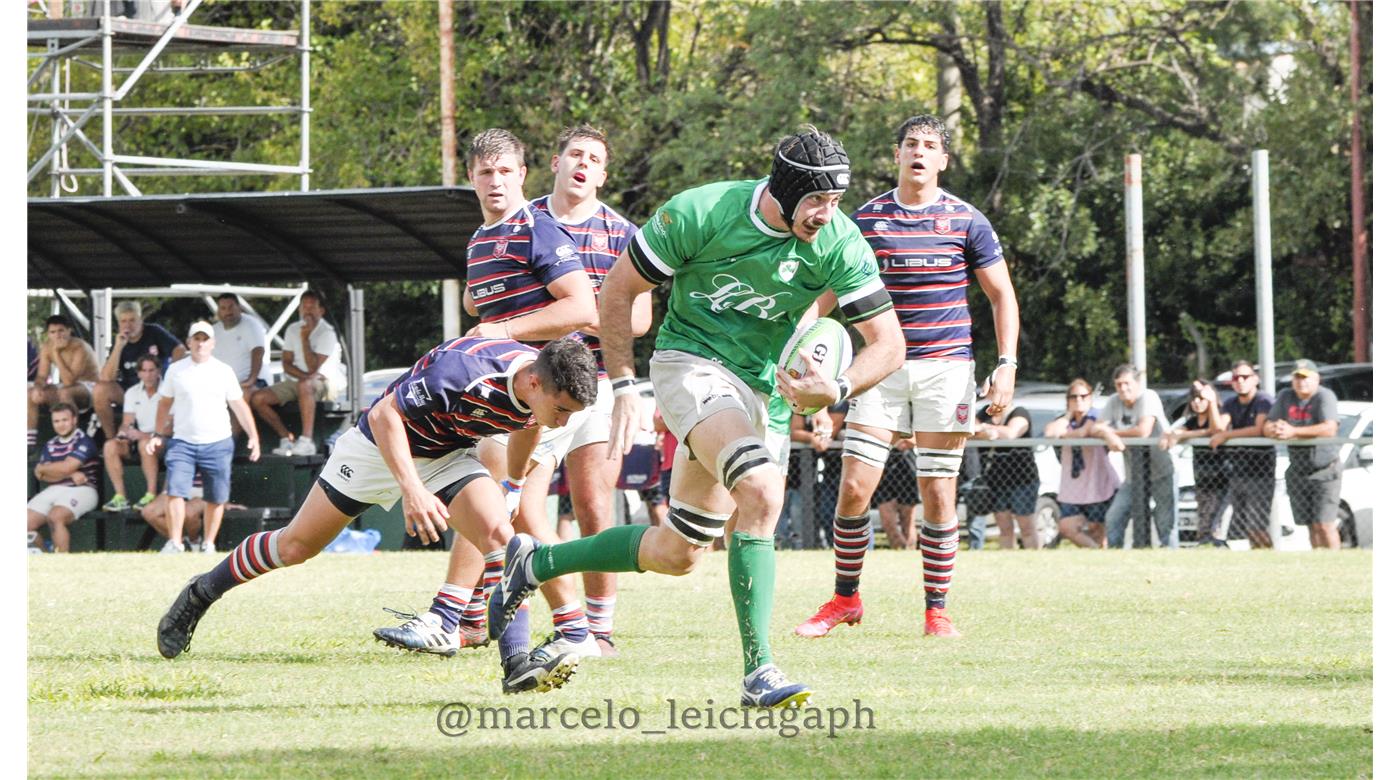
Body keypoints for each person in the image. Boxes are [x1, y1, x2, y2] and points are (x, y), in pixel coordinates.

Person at [490, 126, 904, 709]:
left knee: (679, 551)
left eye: (834, 201)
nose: (825, 214)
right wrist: (628, 386)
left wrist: (835, 387)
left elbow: (888, 343)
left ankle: (536, 562)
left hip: (765, 389)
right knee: (760, 491)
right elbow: (617, 290)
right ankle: (759, 672)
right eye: (815, 200)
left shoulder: (838, 239)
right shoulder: (701, 211)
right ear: (781, 191)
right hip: (690, 364)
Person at [156, 336, 598, 695]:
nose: (562, 422)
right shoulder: (462, 372)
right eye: (562, 409)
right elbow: (387, 415)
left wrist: (514, 487)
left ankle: (516, 666)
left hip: (446, 455)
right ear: (535, 384)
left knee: (503, 539)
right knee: (295, 546)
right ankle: (201, 592)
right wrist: (412, 491)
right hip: (376, 448)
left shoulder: (538, 393)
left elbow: (530, 426)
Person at [374, 127, 607, 662]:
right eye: (485, 172)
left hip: (545, 391)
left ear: (524, 175)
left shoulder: (537, 229)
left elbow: (582, 309)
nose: (496, 181)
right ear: (471, 177)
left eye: (506, 171)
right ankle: (468, 618)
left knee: (511, 508)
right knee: (496, 506)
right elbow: (486, 312)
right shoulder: (481, 239)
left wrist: (502, 333)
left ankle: (560, 629)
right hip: (505, 393)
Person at [795, 114, 1019, 640]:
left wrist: (1005, 363)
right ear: (897, 154)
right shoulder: (865, 221)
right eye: (911, 144)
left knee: (938, 492)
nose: (920, 152)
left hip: (947, 368)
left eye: (930, 145)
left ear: (942, 160)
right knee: (854, 487)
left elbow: (1001, 295)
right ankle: (845, 600)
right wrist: (803, 345)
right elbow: (825, 296)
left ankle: (936, 611)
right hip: (880, 366)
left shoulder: (968, 221)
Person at [145, 322, 262, 554]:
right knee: (175, 492)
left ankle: (208, 543)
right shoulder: (176, 370)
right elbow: (164, 403)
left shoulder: (223, 371)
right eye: (196, 339)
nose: (200, 343)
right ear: (188, 342)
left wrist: (253, 436)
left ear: (212, 343)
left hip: (218, 441)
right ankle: (175, 543)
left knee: (216, 496)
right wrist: (158, 434)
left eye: (205, 339)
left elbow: (238, 404)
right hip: (182, 441)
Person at [251, 289, 346, 457]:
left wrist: (304, 338)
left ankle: (307, 441)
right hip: (301, 381)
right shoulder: (292, 329)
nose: (307, 311)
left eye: (312, 307)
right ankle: (286, 438)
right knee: (258, 398)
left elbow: (313, 368)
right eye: (304, 307)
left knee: (305, 385)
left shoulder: (327, 333)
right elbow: (286, 364)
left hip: (326, 383)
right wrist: (304, 377)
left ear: (321, 310)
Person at [1264, 359, 1342, 550]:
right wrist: (1276, 429)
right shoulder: (1285, 396)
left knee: (1325, 524)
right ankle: (1319, 563)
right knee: (1310, 525)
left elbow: (1329, 428)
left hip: (1325, 469)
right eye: (1297, 377)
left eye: (1306, 377)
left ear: (1317, 379)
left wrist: (1293, 432)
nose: (1301, 382)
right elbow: (1266, 425)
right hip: (1298, 469)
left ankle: (1336, 563)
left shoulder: (1325, 396)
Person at [1102, 364, 1178, 549]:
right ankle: (1114, 557)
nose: (1123, 388)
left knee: (1165, 522)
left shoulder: (1148, 396)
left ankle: (1171, 560)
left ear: (1137, 383)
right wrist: (1107, 434)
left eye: (1127, 383)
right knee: (1114, 517)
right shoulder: (1114, 401)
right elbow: (1097, 427)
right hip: (1133, 476)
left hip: (1163, 472)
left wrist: (1112, 433)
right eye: (1118, 384)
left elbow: (1144, 430)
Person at [1044, 379, 1122, 548]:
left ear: (1090, 397)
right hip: (1072, 485)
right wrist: (1068, 415)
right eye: (1073, 397)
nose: (1078, 400)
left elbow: (1084, 432)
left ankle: (1101, 560)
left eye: (1083, 396)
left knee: (1097, 528)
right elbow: (1050, 432)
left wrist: (1065, 435)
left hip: (1097, 482)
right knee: (1067, 527)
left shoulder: (1097, 416)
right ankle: (1099, 555)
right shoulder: (1065, 420)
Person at [92, 301, 185, 440]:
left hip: (159, 389)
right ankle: (111, 441)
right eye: (123, 321)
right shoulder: (119, 341)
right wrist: (118, 347)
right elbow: (105, 378)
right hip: (131, 392)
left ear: (140, 320)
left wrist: (170, 376)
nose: (128, 325)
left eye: (132, 320)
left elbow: (180, 350)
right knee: (100, 390)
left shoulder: (154, 331)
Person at [1210, 360, 1275, 549]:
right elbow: (1218, 427)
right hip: (1238, 471)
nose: (1240, 381)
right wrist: (1213, 402)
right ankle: (1260, 559)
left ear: (1255, 379)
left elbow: (1258, 429)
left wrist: (1226, 435)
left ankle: (1270, 558)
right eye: (1236, 378)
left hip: (1261, 471)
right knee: (1247, 527)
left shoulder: (1264, 400)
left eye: (1245, 377)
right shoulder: (1230, 402)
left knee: (1257, 525)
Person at [1160, 380, 1228, 547]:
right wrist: (1174, 434)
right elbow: (1176, 432)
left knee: (1215, 521)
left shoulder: (1222, 414)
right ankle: (1206, 544)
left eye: (1201, 398)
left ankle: (1216, 545)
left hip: (1222, 478)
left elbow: (1216, 430)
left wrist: (1211, 402)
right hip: (1202, 476)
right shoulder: (1191, 421)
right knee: (1203, 520)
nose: (1197, 402)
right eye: (1194, 398)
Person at [27, 403, 100, 553]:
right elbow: (42, 476)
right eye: (56, 421)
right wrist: (69, 474)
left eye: (64, 420)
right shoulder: (50, 444)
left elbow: (66, 466)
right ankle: (47, 557)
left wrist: (43, 467)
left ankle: (62, 563)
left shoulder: (84, 440)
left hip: (83, 489)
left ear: (74, 420)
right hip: (55, 488)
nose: (61, 425)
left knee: (55, 517)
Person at [973, 402, 1041, 549]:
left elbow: (1011, 433)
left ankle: (1036, 561)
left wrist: (986, 429)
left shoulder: (1019, 411)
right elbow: (971, 431)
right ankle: (1008, 560)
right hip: (995, 479)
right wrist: (991, 432)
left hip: (1023, 479)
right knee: (1004, 528)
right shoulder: (984, 412)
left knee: (1027, 527)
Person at [100, 355, 163, 511]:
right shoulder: (132, 392)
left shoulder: (169, 391)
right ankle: (120, 497)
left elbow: (171, 427)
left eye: (151, 370)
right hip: (139, 439)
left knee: (144, 444)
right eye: (144, 371)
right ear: (139, 373)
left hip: (164, 440)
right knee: (110, 446)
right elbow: (126, 422)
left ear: (158, 372)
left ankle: (151, 495)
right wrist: (123, 434)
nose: (148, 375)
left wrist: (146, 436)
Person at [28, 315, 99, 447]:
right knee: (30, 392)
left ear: (69, 330)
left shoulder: (80, 347)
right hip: (66, 387)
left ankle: (73, 439)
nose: (57, 335)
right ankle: (29, 443)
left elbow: (69, 381)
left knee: (65, 392)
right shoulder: (47, 347)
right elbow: (42, 376)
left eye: (61, 331)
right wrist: (38, 387)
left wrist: (56, 354)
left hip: (90, 388)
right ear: (48, 334)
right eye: (53, 332)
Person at [211, 292, 271, 402]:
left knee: (238, 398)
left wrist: (251, 380)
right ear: (218, 311)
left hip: (256, 382)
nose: (228, 312)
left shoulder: (252, 324)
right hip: (222, 386)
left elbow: (258, 351)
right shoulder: (212, 331)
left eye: (231, 307)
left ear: (239, 308)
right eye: (223, 308)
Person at [870, 438, 917, 550]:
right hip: (882, 464)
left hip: (907, 465)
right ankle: (899, 550)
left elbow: (914, 439)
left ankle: (910, 554)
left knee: (908, 522)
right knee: (888, 522)